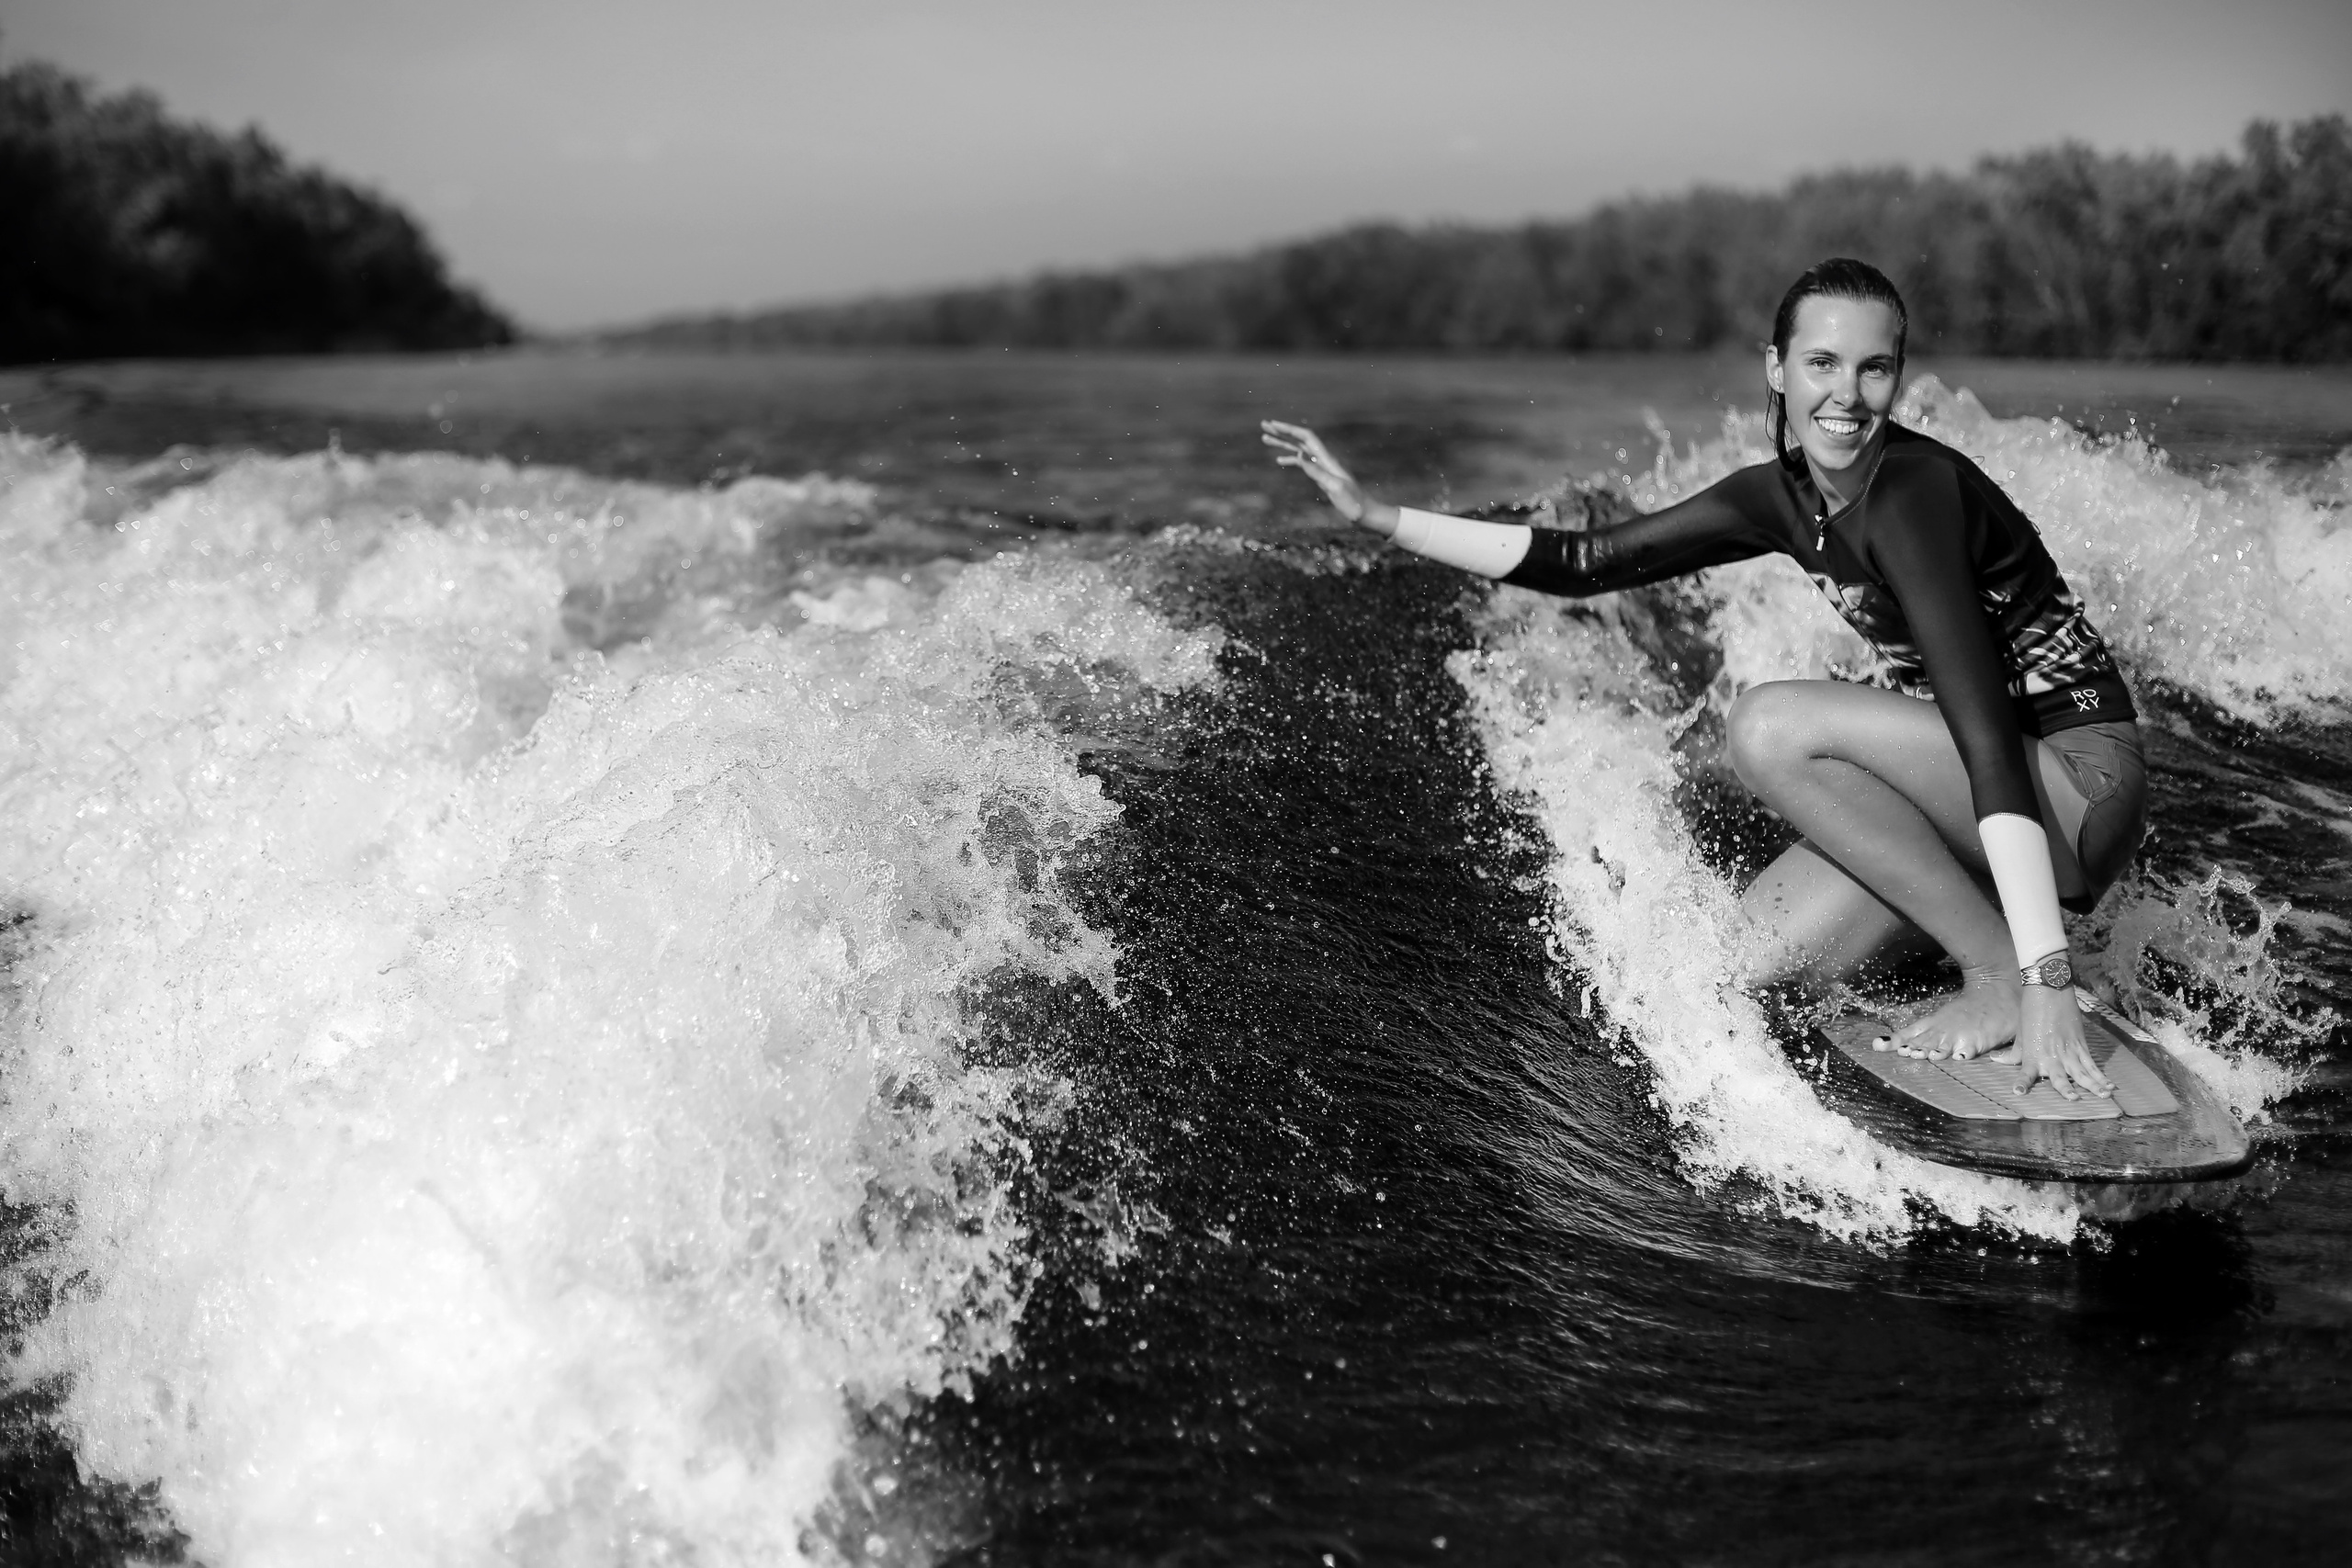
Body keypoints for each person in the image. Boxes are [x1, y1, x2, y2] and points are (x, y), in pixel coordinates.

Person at [1261, 257, 2146, 1102]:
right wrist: (1381, 518)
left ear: (1899, 377)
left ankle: (2002, 967)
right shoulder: (1782, 496)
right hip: (1975, 802)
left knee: (1766, 727)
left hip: (2074, 791)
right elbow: (1585, 560)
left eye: (1874, 368)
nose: (1846, 393)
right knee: (1748, 963)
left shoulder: (1915, 497)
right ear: (1778, 369)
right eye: (1822, 363)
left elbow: (1985, 736)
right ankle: (1978, 933)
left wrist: (2047, 983)